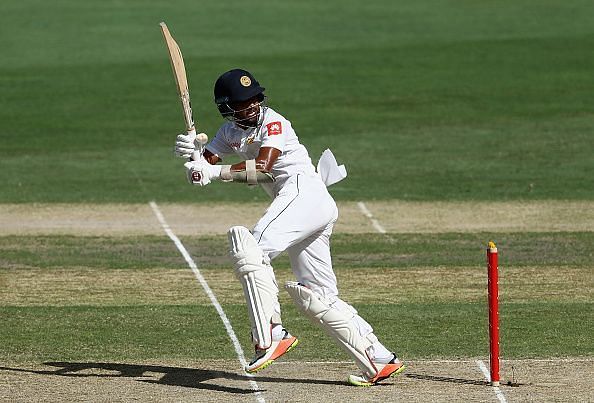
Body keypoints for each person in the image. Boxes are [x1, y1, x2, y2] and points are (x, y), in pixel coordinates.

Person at [173, 68, 405, 386]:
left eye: (255, 98)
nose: (252, 105)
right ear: (228, 108)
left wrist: (215, 172)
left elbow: (263, 166)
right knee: (317, 295)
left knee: (251, 249)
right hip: (307, 207)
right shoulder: (229, 133)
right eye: (244, 102)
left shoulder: (274, 121)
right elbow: (207, 162)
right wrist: (194, 158)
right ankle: (377, 357)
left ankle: (271, 334)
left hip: (303, 193)